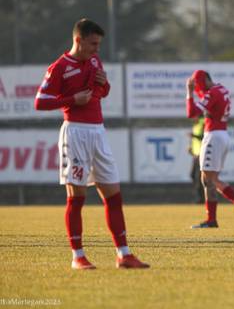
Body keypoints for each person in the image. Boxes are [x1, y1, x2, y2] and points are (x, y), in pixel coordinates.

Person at [34, 18, 149, 270]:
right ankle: (78, 256)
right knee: (77, 198)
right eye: (93, 44)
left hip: (98, 132)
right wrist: (72, 99)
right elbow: (40, 101)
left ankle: (124, 254)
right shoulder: (59, 67)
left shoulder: (94, 61)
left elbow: (103, 92)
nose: (97, 50)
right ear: (79, 40)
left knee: (114, 196)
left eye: (99, 45)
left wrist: (103, 82)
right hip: (75, 133)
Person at [186, 70, 234, 228]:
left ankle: (215, 218)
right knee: (211, 179)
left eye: (199, 85)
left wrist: (189, 93)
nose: (199, 89)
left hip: (213, 137)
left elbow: (191, 113)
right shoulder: (221, 89)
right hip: (221, 135)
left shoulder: (212, 93)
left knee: (208, 180)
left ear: (206, 80)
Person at [188, 116, 205, 203]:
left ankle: (201, 198)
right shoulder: (195, 125)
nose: (192, 118)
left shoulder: (203, 123)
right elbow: (195, 140)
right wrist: (191, 147)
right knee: (192, 175)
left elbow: (205, 137)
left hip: (201, 154)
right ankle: (201, 196)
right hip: (195, 154)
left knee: (198, 177)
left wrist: (194, 136)